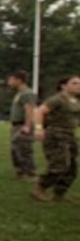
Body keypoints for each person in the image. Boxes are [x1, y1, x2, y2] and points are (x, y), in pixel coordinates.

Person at [31, 74, 80, 202]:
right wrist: (38, 128)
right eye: (74, 83)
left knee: (71, 168)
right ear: (63, 86)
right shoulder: (57, 99)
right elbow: (39, 111)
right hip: (56, 135)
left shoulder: (76, 101)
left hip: (70, 135)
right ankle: (40, 188)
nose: (78, 86)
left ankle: (59, 193)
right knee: (60, 165)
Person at [7, 71, 39, 181]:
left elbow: (29, 110)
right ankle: (21, 172)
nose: (9, 82)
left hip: (23, 125)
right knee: (15, 149)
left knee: (24, 149)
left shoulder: (27, 94)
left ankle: (30, 173)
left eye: (11, 79)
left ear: (19, 80)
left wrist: (27, 126)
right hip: (16, 125)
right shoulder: (19, 93)